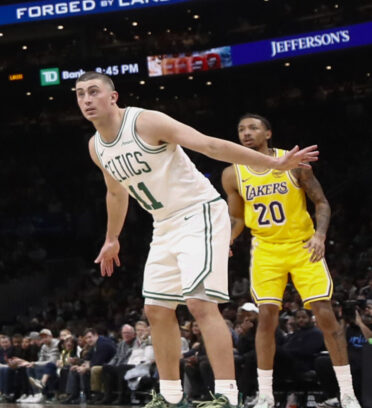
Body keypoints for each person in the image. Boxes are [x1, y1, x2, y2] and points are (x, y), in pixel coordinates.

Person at [78, 71, 319, 408]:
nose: (86, 100)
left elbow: (208, 144)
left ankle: (227, 395)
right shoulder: (95, 146)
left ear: (113, 97)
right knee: (156, 309)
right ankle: (170, 396)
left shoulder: (146, 121)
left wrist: (273, 163)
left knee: (199, 303)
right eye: (80, 94)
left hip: (199, 212)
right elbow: (116, 193)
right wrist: (111, 238)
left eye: (93, 92)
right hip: (163, 224)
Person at [221, 113, 361, 408]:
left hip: (302, 245)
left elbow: (321, 201)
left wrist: (320, 236)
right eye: (241, 129)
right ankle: (266, 394)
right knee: (266, 317)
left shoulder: (293, 162)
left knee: (324, 313)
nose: (246, 133)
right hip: (266, 250)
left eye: (253, 128)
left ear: (268, 133)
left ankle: (347, 391)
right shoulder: (233, 174)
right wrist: (228, 239)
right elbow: (237, 218)